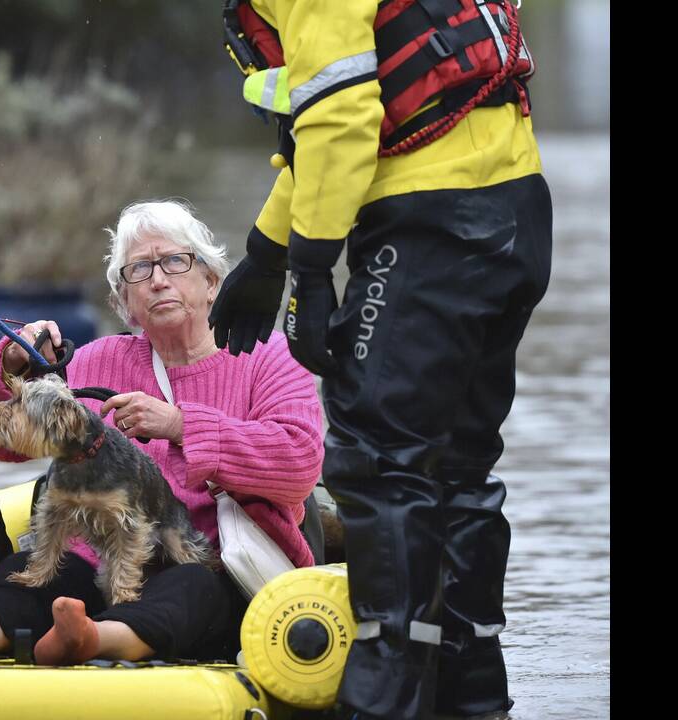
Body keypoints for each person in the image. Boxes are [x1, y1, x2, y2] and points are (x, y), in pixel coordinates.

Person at [209, 2, 552, 718]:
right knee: (456, 468)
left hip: (431, 225)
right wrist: (267, 251)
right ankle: (473, 695)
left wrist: (306, 269)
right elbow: (343, 123)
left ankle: (384, 699)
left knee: (381, 464)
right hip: (511, 212)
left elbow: (341, 119)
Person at [0, 200, 323, 665]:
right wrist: (10, 364)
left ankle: (93, 640)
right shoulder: (97, 360)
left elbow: (298, 464)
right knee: (39, 571)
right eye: (139, 270)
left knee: (189, 585)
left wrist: (179, 425)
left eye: (176, 262)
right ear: (125, 301)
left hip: (213, 562)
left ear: (212, 281)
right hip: (101, 563)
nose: (158, 280)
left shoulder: (268, 354)